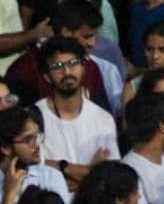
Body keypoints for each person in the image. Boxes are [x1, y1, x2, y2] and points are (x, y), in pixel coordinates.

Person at [33, 38, 120, 187]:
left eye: (73, 64)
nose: (67, 72)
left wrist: (61, 168)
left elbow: (111, 176)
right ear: (47, 76)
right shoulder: (34, 117)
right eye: (57, 66)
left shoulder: (103, 119)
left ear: (83, 68)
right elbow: (34, 170)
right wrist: (87, 172)